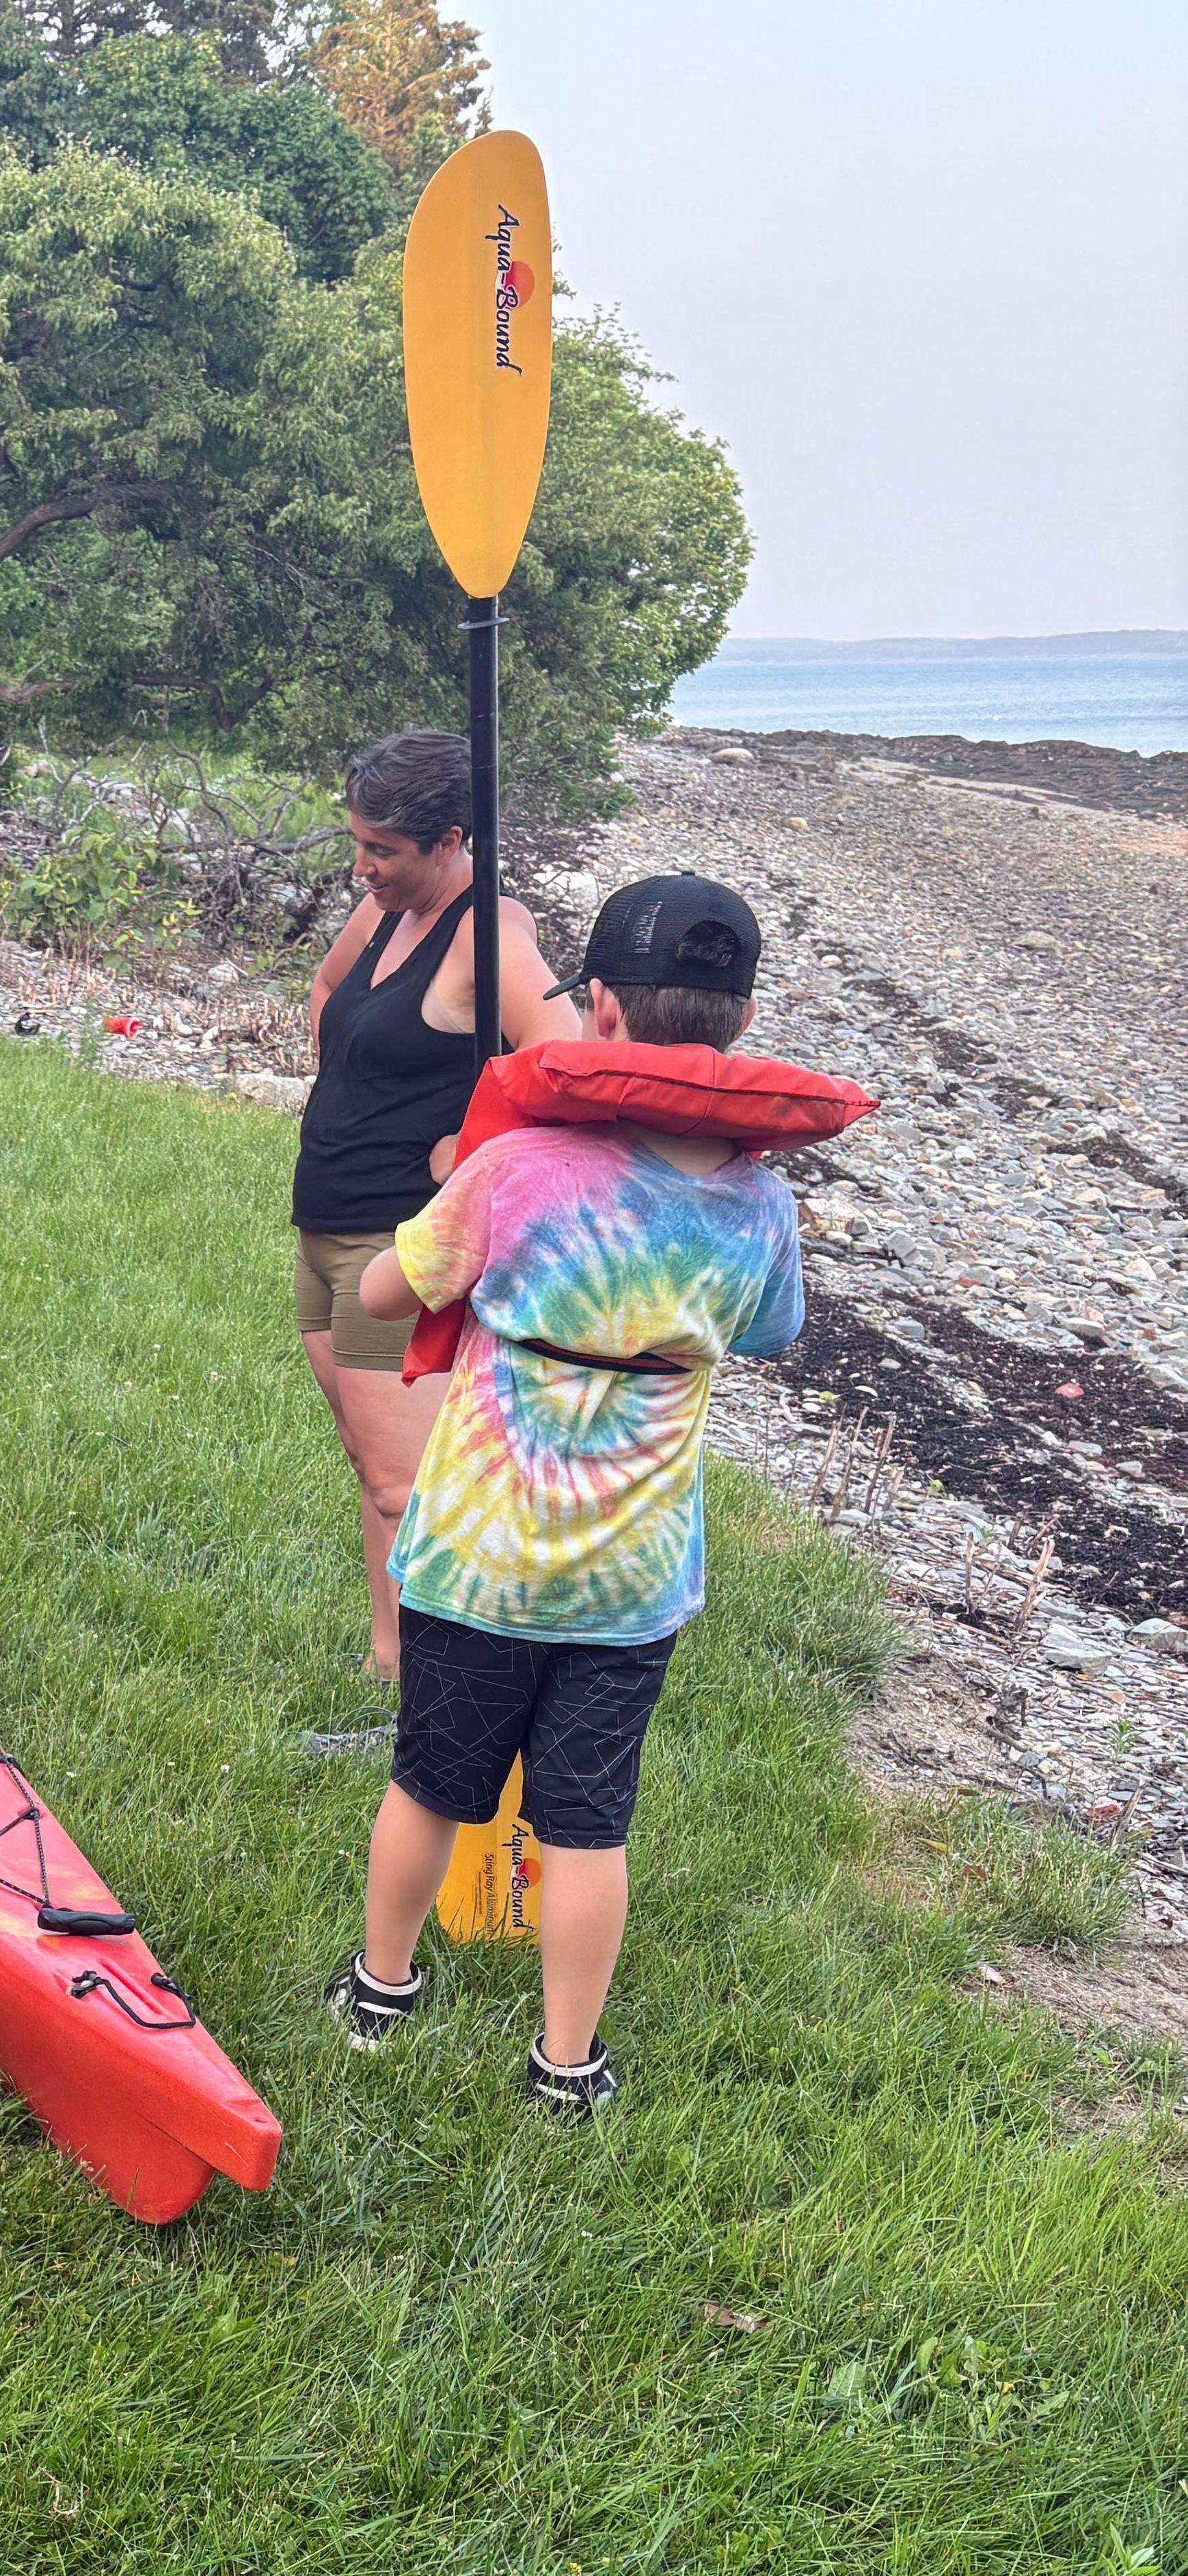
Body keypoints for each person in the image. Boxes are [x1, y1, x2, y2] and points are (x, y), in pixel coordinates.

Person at [326, 875, 805, 2113]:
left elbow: (384, 1293)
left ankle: (379, 1990)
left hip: (477, 1556)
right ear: (737, 1022)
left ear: (593, 1006)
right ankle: (564, 2063)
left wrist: (447, 1190)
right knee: (587, 1821)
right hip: (628, 1579)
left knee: (429, 1780)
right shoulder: (758, 1200)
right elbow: (768, 1331)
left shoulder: (517, 1167)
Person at [292, 730, 558, 1684]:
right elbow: (329, 987)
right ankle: (390, 1665)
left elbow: (562, 1063)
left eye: (384, 851)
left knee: (406, 1486)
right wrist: (353, 1082)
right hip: (325, 1225)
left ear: (449, 839)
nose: (362, 867)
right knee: (378, 1469)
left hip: (393, 1245)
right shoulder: (387, 915)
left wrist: (473, 1150)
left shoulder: (490, 936)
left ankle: (423, 1691)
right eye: (357, 843)